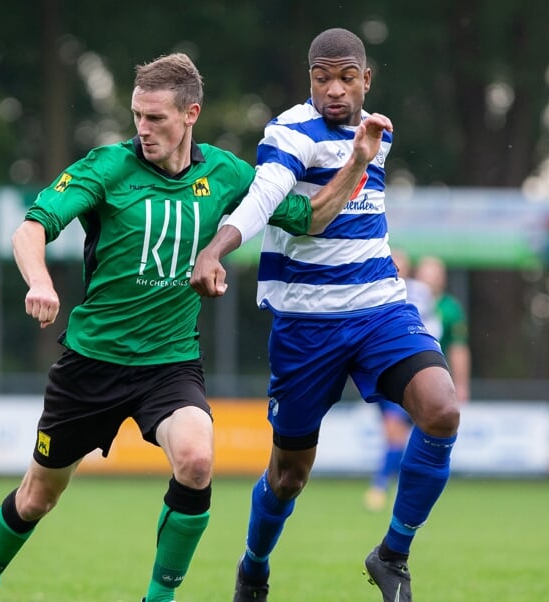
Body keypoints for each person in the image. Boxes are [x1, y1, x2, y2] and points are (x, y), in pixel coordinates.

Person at [0, 52, 387, 602]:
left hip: (169, 364)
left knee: (197, 458)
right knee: (38, 496)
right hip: (91, 363)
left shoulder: (225, 174)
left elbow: (307, 218)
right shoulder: (108, 167)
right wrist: (39, 281)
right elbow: (31, 229)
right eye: (137, 115)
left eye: (156, 118)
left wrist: (356, 163)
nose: (143, 129)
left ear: (191, 114)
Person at [189, 28, 459, 602]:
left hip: (380, 309)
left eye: (345, 77)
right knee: (288, 476)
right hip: (306, 326)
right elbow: (265, 195)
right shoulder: (290, 133)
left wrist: (364, 152)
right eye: (321, 78)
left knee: (440, 410)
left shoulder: (377, 134)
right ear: (308, 79)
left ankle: (393, 554)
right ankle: (254, 566)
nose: (333, 90)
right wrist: (216, 248)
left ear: (367, 79)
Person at [363, 250, 440, 512]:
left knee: (396, 432)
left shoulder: (417, 293)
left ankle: (381, 485)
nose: (396, 267)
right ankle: (390, 485)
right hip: (380, 369)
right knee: (394, 433)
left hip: (406, 368)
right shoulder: (371, 289)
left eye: (400, 264)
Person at [415, 255, 471, 403]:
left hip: (438, 380)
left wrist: (461, 385)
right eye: (424, 276)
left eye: (434, 276)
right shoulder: (406, 304)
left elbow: (458, 348)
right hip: (407, 377)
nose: (428, 281)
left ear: (442, 279)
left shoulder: (451, 309)